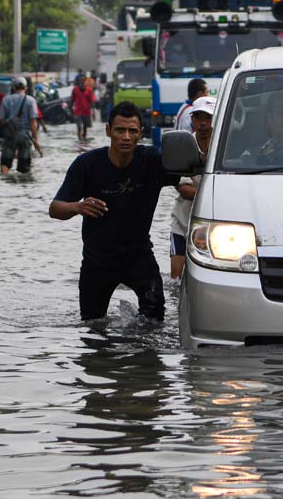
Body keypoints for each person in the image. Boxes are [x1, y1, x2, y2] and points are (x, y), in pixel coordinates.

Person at [48, 101, 181, 321]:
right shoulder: (87, 164)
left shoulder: (152, 161)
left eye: (132, 131)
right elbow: (55, 208)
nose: (126, 137)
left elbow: (190, 171)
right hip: (97, 260)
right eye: (120, 130)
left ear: (141, 133)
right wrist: (78, 207)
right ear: (108, 131)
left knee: (155, 317)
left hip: (139, 255)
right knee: (92, 325)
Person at [170, 96, 215, 279]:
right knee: (176, 277)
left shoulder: (226, 147)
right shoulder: (183, 146)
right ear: (192, 120)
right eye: (198, 118)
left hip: (212, 225)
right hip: (182, 224)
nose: (203, 123)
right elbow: (183, 188)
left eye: (208, 118)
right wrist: (214, 195)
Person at [0, 76, 39, 175]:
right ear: (26, 88)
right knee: (24, 167)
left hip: (10, 134)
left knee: (5, 163)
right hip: (25, 135)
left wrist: (8, 123)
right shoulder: (31, 100)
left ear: (13, 87)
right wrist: (35, 139)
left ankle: (4, 181)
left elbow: (0, 119)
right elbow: (33, 121)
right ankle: (22, 184)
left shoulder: (6, 99)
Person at [71, 75, 96, 141]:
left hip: (86, 112)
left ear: (85, 81)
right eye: (80, 80)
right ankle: (80, 139)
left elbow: (92, 101)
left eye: (83, 80)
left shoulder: (89, 90)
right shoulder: (75, 89)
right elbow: (72, 100)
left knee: (85, 127)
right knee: (79, 126)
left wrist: (93, 112)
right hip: (77, 112)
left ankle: (83, 138)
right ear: (78, 81)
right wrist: (71, 110)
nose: (81, 82)